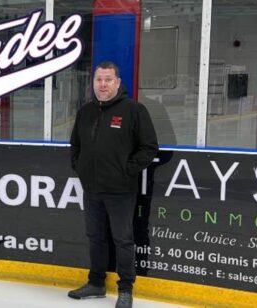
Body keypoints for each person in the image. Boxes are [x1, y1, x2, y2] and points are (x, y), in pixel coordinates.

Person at [68, 61, 158, 308]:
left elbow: (149, 147)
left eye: (108, 79)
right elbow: (75, 145)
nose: (103, 84)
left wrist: (126, 171)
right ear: (93, 82)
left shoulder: (133, 110)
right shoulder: (85, 112)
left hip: (120, 190)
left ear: (117, 83)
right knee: (95, 237)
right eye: (99, 79)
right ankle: (96, 283)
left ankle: (126, 289)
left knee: (123, 239)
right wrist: (81, 167)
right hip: (92, 189)